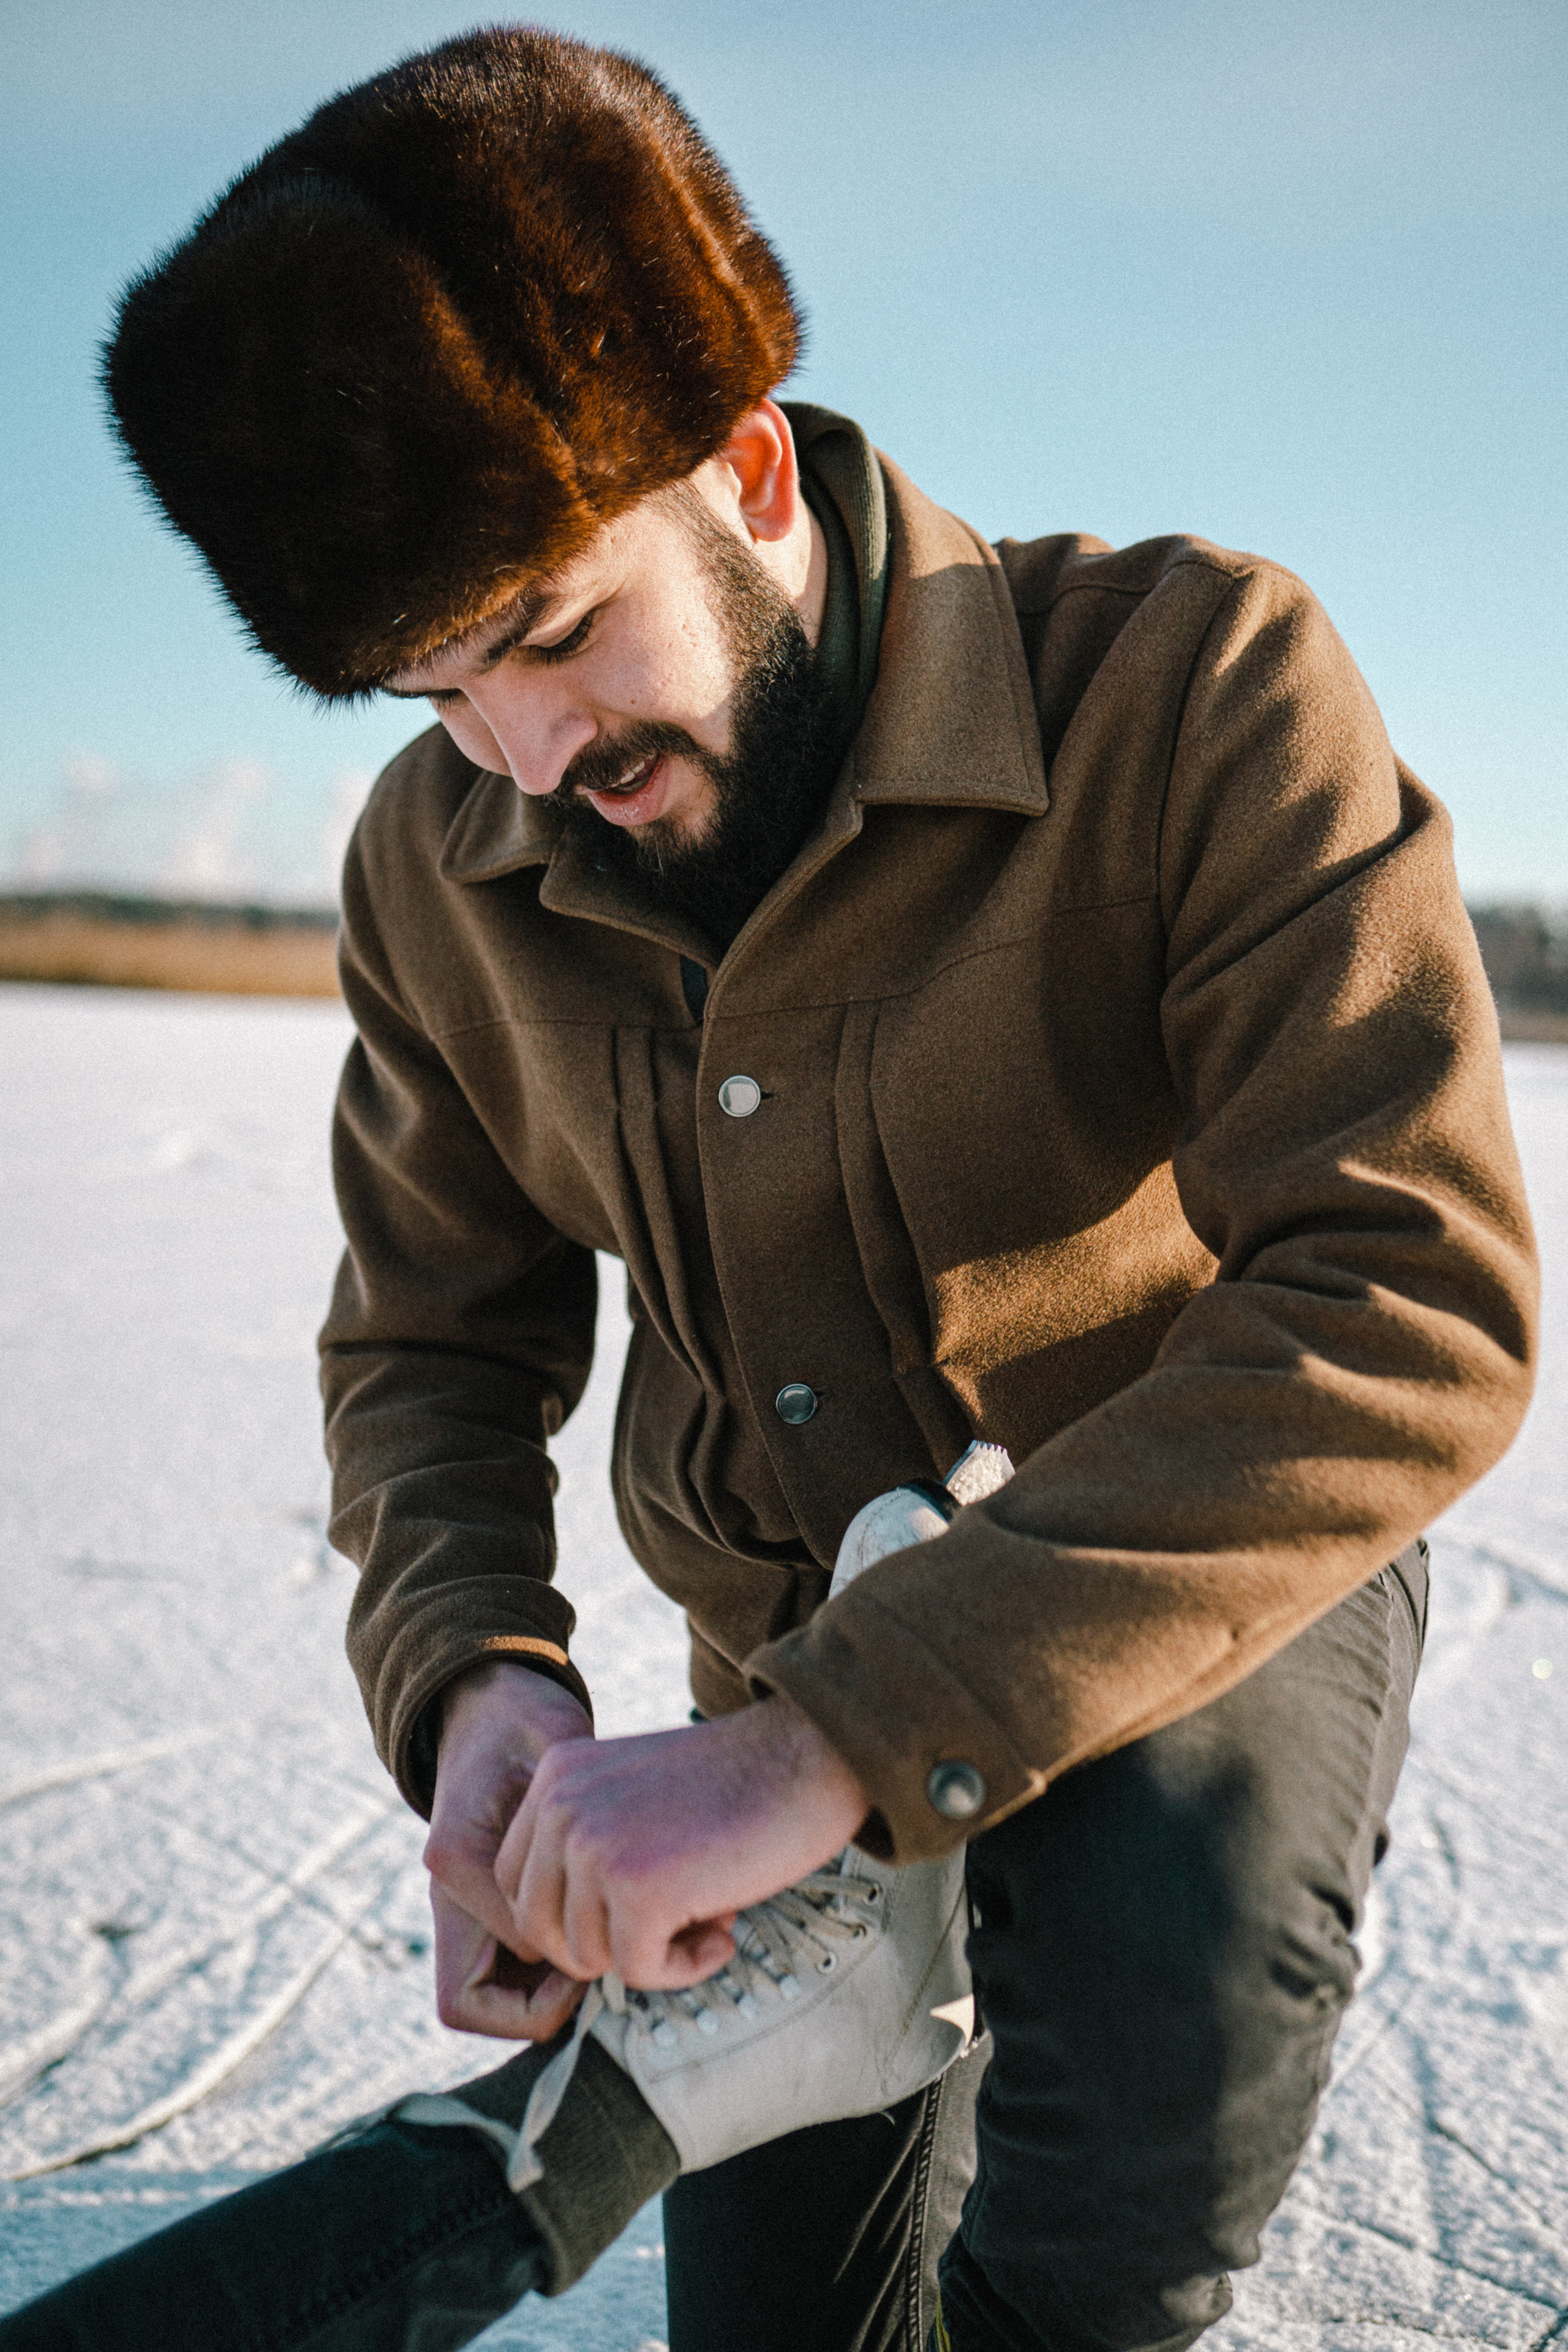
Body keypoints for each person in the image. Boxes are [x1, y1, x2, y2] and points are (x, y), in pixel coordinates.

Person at [6, 24, 1537, 2352]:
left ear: (746, 469)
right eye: (438, 696)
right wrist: (481, 1690)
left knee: (1116, 2154)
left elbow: (1407, 1295)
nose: (529, 758)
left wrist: (831, 1735)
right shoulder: (445, 870)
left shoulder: (1200, 681)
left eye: (549, 631)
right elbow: (430, 1347)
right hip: (771, 1728)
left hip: (1194, 1600)